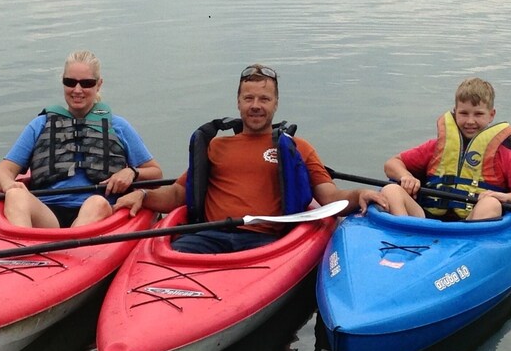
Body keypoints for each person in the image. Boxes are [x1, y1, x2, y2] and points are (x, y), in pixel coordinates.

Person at [114, 63, 387, 253]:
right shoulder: (216, 146)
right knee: (178, 251)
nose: (256, 105)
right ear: (238, 102)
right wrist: (144, 196)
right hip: (208, 237)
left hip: (266, 243)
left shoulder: (298, 148)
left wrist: (360, 194)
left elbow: (328, 196)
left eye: (264, 99)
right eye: (249, 98)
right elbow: (177, 194)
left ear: (276, 103)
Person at [0, 50, 162, 228]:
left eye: (87, 83)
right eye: (70, 82)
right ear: (63, 83)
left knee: (96, 202)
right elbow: (2, 171)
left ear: (99, 84)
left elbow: (155, 173)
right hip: (46, 214)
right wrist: (9, 185)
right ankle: (23, 250)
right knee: (15, 195)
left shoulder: (118, 126)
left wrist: (132, 172)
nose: (77, 90)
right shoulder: (40, 125)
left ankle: (71, 252)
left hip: (97, 213)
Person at [380, 77, 511, 220]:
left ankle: (473, 255)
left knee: (491, 203)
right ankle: (403, 237)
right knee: (391, 190)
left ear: (491, 115)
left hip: (470, 229)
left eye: (478, 114)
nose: (470, 121)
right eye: (464, 113)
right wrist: (406, 176)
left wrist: (505, 197)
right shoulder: (435, 147)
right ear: (455, 113)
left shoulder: (504, 156)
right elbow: (392, 163)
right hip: (424, 221)